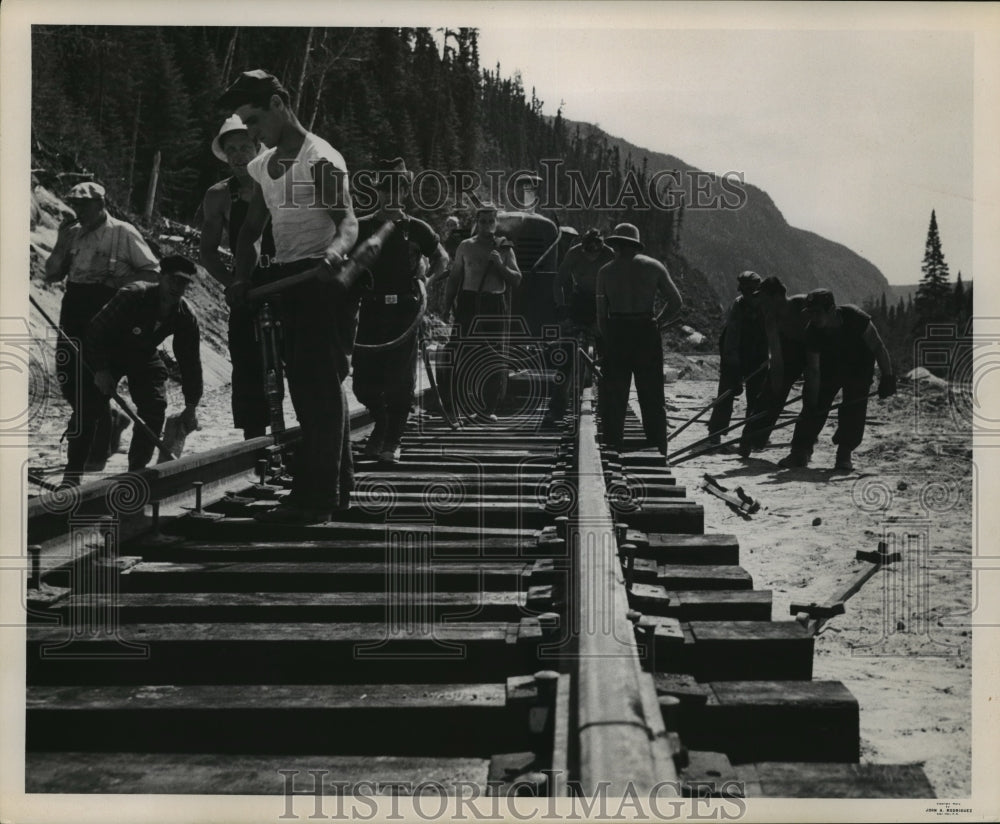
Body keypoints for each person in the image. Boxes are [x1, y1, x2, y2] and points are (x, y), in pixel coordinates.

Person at [219, 69, 362, 523]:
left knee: (316, 385)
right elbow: (251, 231)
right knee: (311, 385)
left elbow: (348, 222)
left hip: (324, 281)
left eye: (256, 121)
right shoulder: (264, 167)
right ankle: (336, 492)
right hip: (287, 281)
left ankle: (315, 496)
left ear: (279, 105)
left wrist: (336, 255)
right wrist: (241, 277)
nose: (252, 133)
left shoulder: (320, 159)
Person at [44, 181, 160, 473]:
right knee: (69, 379)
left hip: (110, 311)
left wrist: (118, 284)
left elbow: (153, 272)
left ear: (100, 203)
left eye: (84, 204)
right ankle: (111, 420)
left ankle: (94, 452)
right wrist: (61, 241)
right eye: (75, 203)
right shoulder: (72, 234)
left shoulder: (123, 232)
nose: (78, 209)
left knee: (92, 384)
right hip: (74, 311)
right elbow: (51, 274)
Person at [59, 256, 202, 486]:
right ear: (160, 278)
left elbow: (190, 362)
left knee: (155, 408)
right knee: (87, 408)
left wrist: (191, 405)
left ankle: (136, 474)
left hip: (143, 355)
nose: (178, 288)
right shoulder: (133, 295)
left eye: (183, 283)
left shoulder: (185, 315)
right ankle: (72, 475)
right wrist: (101, 370)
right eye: (173, 280)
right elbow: (95, 333)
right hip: (108, 352)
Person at [353, 158, 449, 463]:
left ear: (406, 191)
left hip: (404, 314)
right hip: (369, 311)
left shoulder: (416, 228)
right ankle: (380, 421)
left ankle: (392, 440)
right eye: (387, 188)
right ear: (379, 191)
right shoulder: (363, 225)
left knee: (399, 381)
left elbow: (442, 258)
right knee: (363, 383)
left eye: (399, 188)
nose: (392, 194)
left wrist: (427, 283)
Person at [199, 115, 279, 439]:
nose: (237, 155)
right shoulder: (219, 196)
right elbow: (207, 252)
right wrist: (232, 282)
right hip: (248, 286)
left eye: (244, 146)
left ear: (258, 147)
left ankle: (307, 441)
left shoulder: (280, 184)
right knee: (248, 369)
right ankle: (255, 446)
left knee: (302, 364)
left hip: (287, 283)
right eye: (230, 149)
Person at [778, 288, 896, 471]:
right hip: (830, 366)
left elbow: (878, 347)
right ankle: (800, 451)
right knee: (813, 404)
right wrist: (812, 401)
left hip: (859, 365)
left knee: (854, 407)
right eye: (810, 313)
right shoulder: (812, 331)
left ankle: (844, 453)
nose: (813, 318)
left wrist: (887, 377)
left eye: (817, 312)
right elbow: (814, 370)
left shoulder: (856, 318)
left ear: (832, 310)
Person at [596, 223, 682, 454]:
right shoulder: (654, 267)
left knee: (614, 395)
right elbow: (676, 302)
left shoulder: (605, 272)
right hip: (645, 329)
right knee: (652, 394)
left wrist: (608, 339)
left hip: (617, 330)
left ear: (616, 244)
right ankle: (657, 447)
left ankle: (613, 445)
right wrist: (657, 322)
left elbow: (601, 316)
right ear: (635, 244)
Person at [442, 205, 522, 422]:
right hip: (469, 303)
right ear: (477, 222)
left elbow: (516, 279)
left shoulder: (504, 247)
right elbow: (455, 278)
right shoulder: (465, 246)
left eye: (491, 221)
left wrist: (499, 265)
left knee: (493, 356)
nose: (487, 225)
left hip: (494, 304)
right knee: (459, 353)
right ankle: (454, 406)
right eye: (483, 221)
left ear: (496, 222)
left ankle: (487, 408)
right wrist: (446, 307)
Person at [545, 228, 614, 424]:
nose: (592, 257)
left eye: (596, 253)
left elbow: (618, 285)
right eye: (588, 252)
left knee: (606, 357)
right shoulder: (574, 253)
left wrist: (605, 319)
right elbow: (558, 282)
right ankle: (556, 408)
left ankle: (607, 408)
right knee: (565, 357)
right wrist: (562, 312)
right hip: (580, 300)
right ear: (582, 248)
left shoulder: (610, 255)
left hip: (603, 301)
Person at [737, 275, 809, 457]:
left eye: (764, 298)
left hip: (813, 349)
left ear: (776, 296)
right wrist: (776, 386)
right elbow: (776, 356)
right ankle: (750, 439)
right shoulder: (770, 318)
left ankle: (802, 449)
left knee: (813, 398)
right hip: (789, 352)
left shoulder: (803, 304)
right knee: (768, 395)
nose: (761, 303)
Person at [706, 271, 768, 446]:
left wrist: (770, 357)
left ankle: (752, 435)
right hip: (735, 352)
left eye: (752, 291)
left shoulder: (767, 305)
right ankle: (716, 430)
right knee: (727, 391)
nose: (748, 295)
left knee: (757, 396)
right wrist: (734, 369)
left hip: (759, 354)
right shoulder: (738, 306)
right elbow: (731, 338)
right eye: (745, 291)